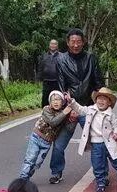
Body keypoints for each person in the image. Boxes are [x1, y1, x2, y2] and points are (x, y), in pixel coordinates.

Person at [49, 28, 103, 184]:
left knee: (97, 144)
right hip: (69, 109)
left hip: (88, 108)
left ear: (83, 42)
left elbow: (98, 83)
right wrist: (69, 108)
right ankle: (56, 172)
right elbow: (61, 88)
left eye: (78, 41)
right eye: (72, 41)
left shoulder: (91, 59)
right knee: (59, 144)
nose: (75, 45)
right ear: (67, 43)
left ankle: (101, 175)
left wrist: (97, 105)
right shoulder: (61, 60)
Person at [67, 87, 117, 192]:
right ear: (95, 100)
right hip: (96, 144)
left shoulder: (111, 114)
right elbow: (80, 109)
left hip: (109, 142)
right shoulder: (90, 109)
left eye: (104, 99)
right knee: (97, 164)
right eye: (99, 98)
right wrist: (71, 101)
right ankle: (101, 183)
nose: (101, 101)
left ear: (109, 103)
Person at [19, 90, 76, 179]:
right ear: (50, 102)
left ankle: (27, 177)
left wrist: (72, 118)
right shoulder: (47, 109)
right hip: (36, 138)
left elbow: (69, 128)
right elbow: (53, 122)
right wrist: (65, 112)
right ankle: (23, 178)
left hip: (47, 143)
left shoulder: (64, 114)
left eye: (58, 100)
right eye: (53, 100)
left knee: (38, 163)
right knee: (30, 159)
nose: (56, 102)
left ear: (62, 102)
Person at [37, 39, 60, 109]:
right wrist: (39, 79)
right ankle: (45, 114)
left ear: (57, 46)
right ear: (49, 45)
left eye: (55, 44)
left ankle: (57, 115)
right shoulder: (44, 56)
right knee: (45, 98)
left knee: (57, 98)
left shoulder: (61, 56)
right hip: (46, 81)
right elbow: (40, 68)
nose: (53, 45)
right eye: (51, 44)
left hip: (57, 81)